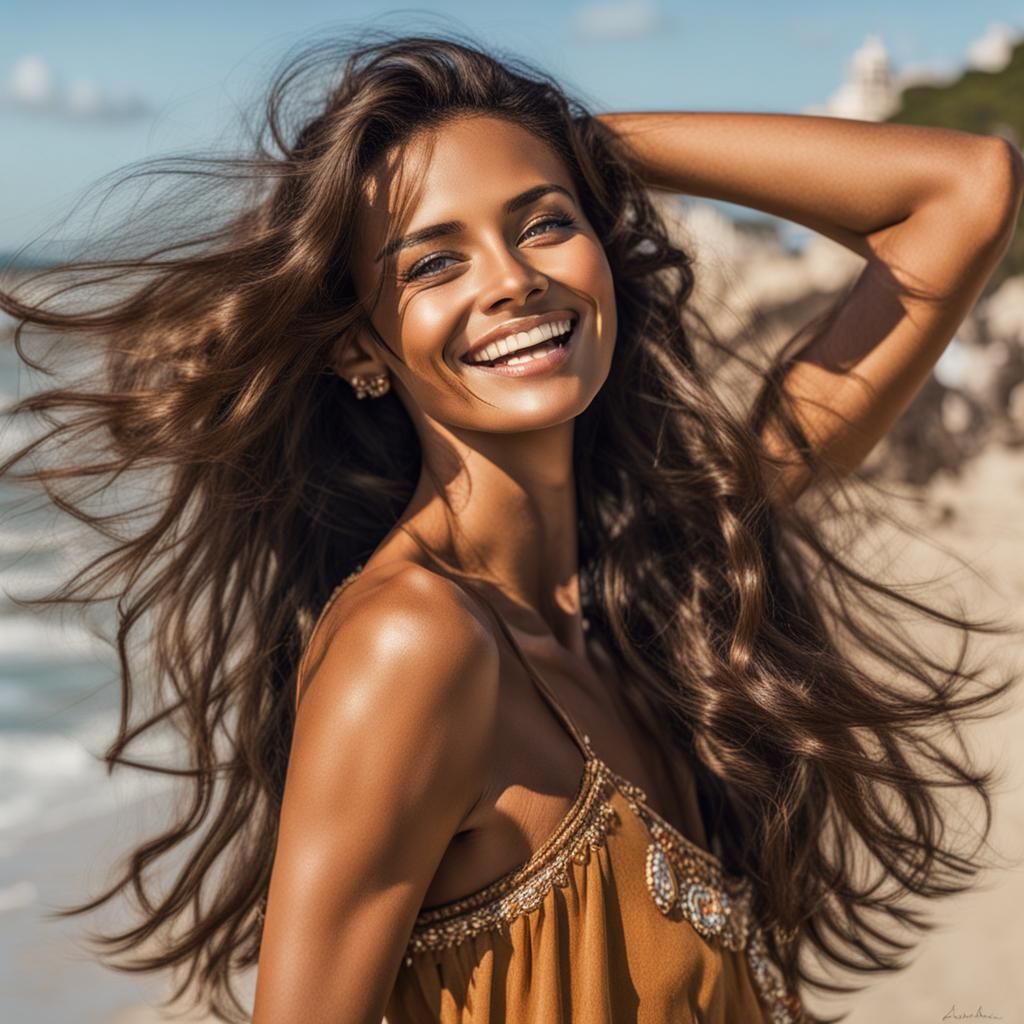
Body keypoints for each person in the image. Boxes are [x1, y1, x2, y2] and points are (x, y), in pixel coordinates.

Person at [1, 29, 1021, 1024]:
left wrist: (574, 137)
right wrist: (542, 155)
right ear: (362, 343)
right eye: (433, 263)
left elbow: (964, 189)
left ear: (604, 250)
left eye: (541, 223)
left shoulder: (670, 579)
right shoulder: (412, 647)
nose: (510, 278)